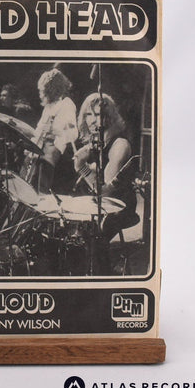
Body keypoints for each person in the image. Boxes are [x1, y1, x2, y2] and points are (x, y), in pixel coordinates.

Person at [73, 92, 139, 274]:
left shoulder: (119, 145)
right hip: (99, 206)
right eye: (88, 114)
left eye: (98, 115)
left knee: (92, 237)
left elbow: (104, 191)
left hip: (119, 207)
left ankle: (101, 276)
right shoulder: (96, 143)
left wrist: (81, 167)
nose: (92, 120)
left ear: (109, 117)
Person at [29, 68, 78, 194]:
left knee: (43, 194)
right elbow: (39, 130)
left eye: (41, 90)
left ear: (50, 89)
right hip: (40, 156)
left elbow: (73, 134)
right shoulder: (48, 107)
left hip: (56, 160)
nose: (40, 94)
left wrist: (54, 130)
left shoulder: (67, 104)